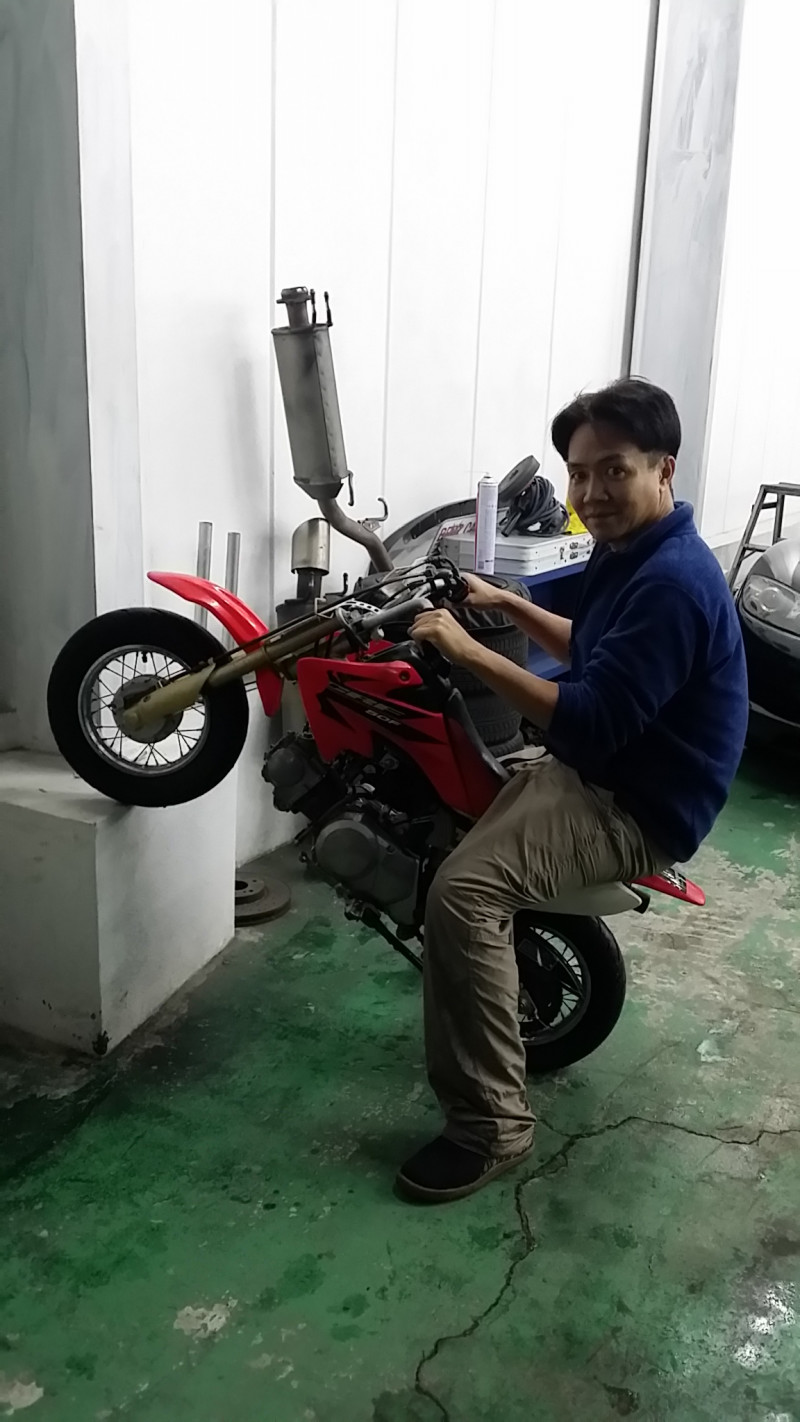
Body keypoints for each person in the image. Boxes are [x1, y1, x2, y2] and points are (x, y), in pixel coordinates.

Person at [397, 377, 748, 1203]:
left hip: (636, 803)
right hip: (610, 770)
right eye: (578, 473)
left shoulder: (672, 582)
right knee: (445, 818)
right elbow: (592, 647)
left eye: (613, 470)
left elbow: (590, 722)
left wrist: (466, 650)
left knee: (463, 894)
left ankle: (491, 1127)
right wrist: (502, 603)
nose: (590, 493)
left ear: (664, 468)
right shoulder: (632, 552)